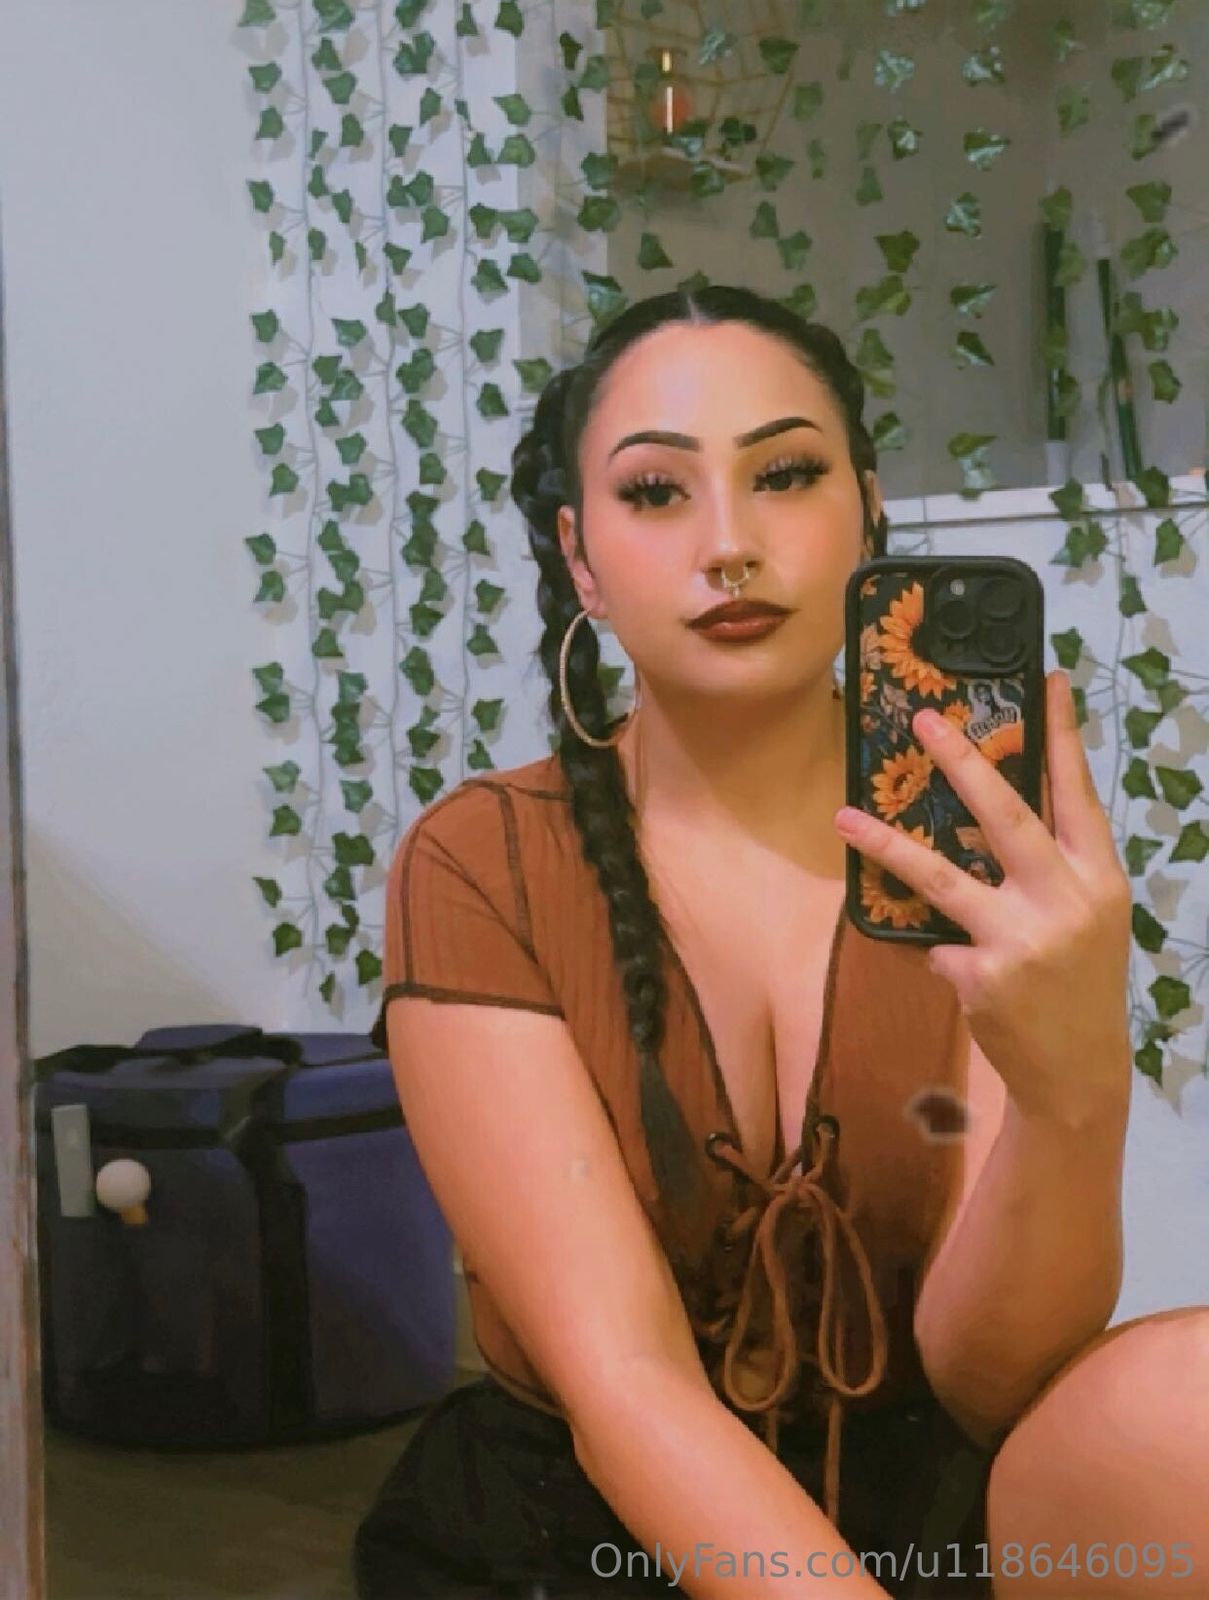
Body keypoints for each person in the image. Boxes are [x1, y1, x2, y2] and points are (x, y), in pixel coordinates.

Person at [352, 285, 1138, 1599]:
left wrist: (1077, 1091)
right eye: (656, 492)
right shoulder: (482, 861)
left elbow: (987, 1377)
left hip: (920, 1510)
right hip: (588, 1532)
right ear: (580, 557)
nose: (728, 544)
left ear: (867, 512)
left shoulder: (974, 848)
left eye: (783, 475)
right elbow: (626, 1383)